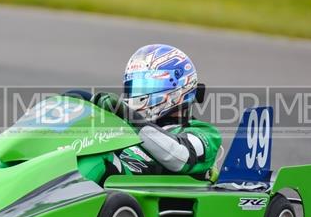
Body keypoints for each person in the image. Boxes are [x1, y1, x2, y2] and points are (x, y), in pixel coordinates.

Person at [93, 44, 222, 180]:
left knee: (98, 161)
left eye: (149, 86)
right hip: (113, 190)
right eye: (136, 87)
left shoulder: (206, 134)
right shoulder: (125, 128)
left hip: (160, 198)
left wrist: (128, 114)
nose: (139, 94)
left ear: (178, 89)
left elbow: (179, 155)